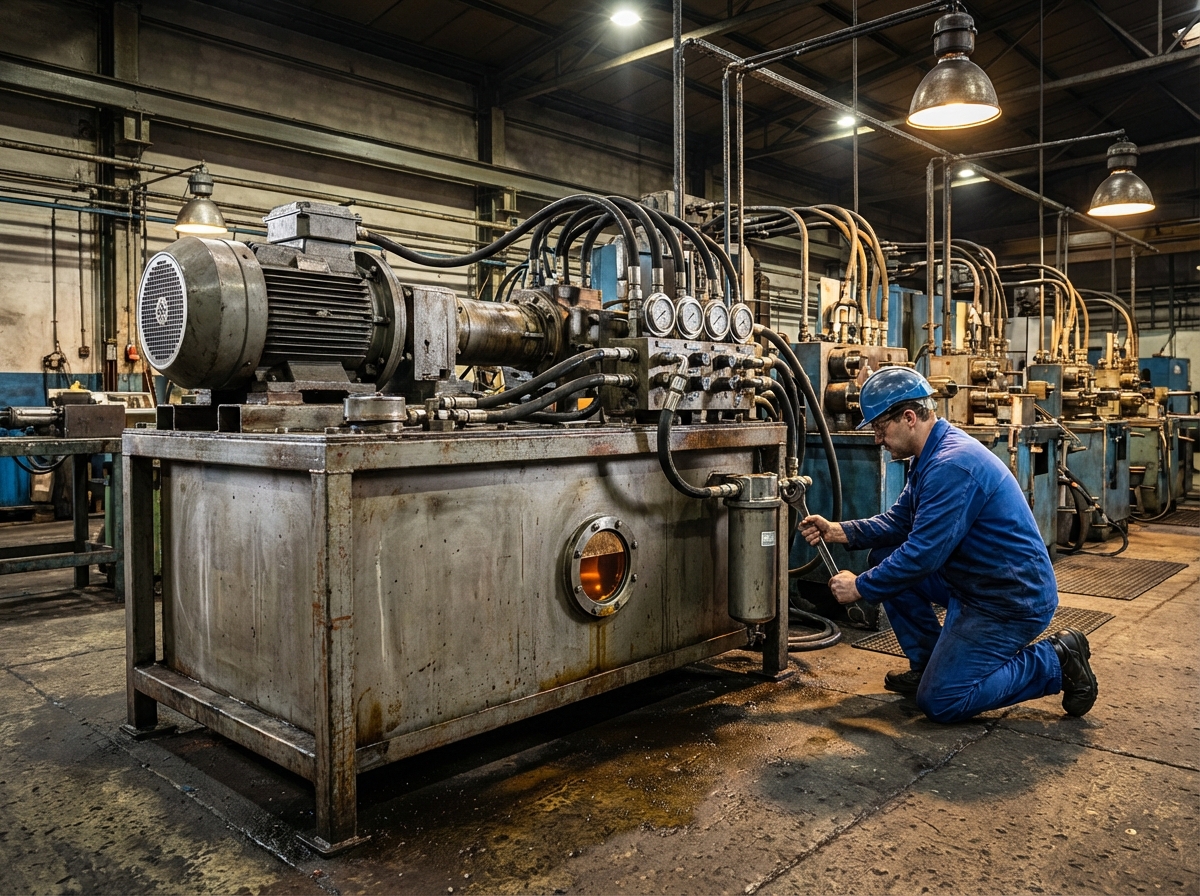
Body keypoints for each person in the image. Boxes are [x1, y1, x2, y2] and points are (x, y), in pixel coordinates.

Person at [799, 366, 1098, 723]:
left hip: (1009, 599)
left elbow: (923, 555)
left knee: (942, 700)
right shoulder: (931, 454)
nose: (878, 439)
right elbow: (900, 521)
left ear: (909, 417)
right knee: (884, 556)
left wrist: (860, 587)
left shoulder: (951, 464)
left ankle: (1058, 659)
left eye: (880, 428)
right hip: (974, 580)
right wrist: (838, 531)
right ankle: (927, 664)